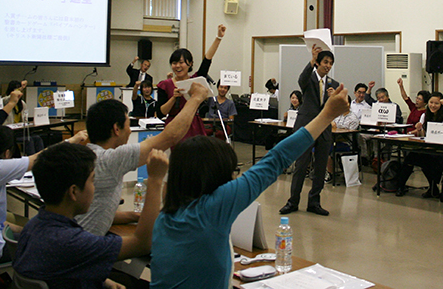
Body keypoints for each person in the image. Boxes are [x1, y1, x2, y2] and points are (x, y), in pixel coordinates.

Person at [150, 84, 350, 289]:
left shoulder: (163, 219)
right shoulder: (214, 207)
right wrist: (327, 114)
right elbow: (277, 159)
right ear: (213, 176)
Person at [14, 143, 168, 289]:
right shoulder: (73, 242)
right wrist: (155, 179)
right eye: (93, 181)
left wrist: (105, 282)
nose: (94, 188)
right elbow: (141, 244)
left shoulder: (33, 227)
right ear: (73, 192)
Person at [76, 83, 209, 236]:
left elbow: (99, 210)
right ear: (116, 129)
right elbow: (170, 137)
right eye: (128, 125)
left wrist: (135, 216)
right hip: (84, 253)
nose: (130, 130)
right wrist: (196, 98)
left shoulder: (86, 155)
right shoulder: (110, 159)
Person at [0, 125, 89, 267]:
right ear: (7, 153)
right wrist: (73, 139)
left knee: (28, 230)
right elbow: (43, 157)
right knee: (51, 245)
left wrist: (25, 230)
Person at [280, 45, 339, 216]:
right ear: (318, 63)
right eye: (325, 62)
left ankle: (314, 201)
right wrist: (311, 60)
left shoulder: (332, 84)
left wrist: (334, 97)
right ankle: (293, 201)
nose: (328, 66)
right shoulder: (309, 80)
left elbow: (340, 105)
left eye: (330, 63)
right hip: (306, 126)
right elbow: (301, 79)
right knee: (301, 164)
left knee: (320, 166)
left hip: (324, 128)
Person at [155, 24, 226, 140]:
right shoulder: (165, 85)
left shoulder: (196, 81)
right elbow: (160, 113)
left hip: (194, 124)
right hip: (174, 125)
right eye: (174, 63)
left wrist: (218, 38)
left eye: (181, 62)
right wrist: (173, 98)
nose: (177, 66)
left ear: (190, 64)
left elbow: (207, 60)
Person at [393, 92, 443, 197]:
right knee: (410, 158)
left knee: (429, 161)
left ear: (441, 105)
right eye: (431, 103)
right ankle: (400, 186)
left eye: (436, 103)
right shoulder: (425, 115)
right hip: (427, 147)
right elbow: (422, 135)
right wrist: (419, 129)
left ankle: (433, 187)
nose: (433, 106)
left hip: (441, 150)